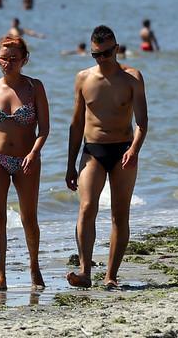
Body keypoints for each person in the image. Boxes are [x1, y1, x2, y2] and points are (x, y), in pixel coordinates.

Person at [65, 25, 148, 289]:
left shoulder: (132, 78)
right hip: (93, 151)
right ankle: (84, 271)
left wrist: (134, 149)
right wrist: (70, 164)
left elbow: (142, 123)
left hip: (123, 150)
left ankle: (111, 275)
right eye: (96, 55)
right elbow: (76, 124)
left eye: (106, 54)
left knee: (119, 214)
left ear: (117, 49)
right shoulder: (83, 79)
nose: (101, 59)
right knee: (87, 207)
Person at [0, 35, 50, 291]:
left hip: (27, 159)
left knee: (28, 217)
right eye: (3, 58)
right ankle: (1, 276)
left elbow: (44, 129)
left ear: (24, 60)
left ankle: (34, 265)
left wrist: (34, 153)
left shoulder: (35, 87)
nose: (7, 63)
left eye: (13, 58)